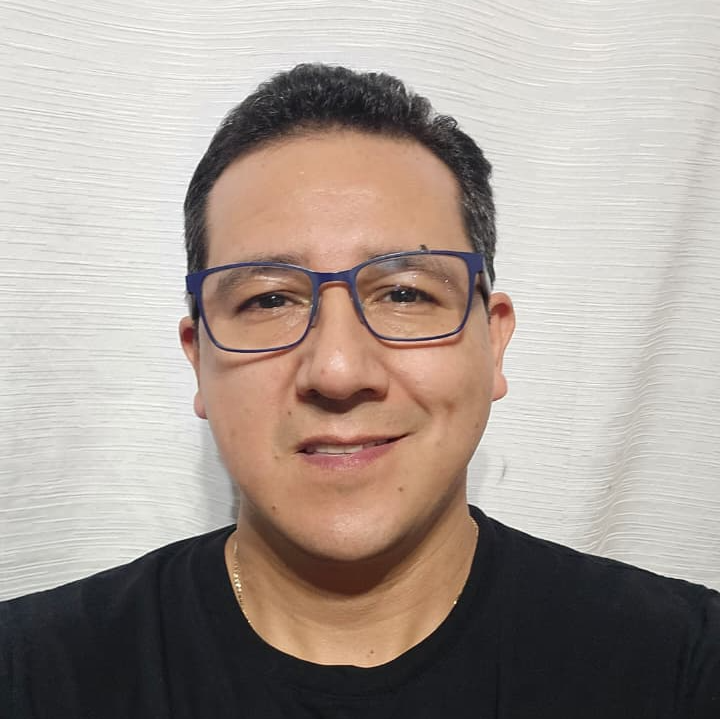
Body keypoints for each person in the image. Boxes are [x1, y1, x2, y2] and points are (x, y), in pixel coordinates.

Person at [1, 63, 718, 718]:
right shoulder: (32, 672)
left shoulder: (682, 664)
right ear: (198, 360)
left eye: (405, 293)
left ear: (493, 341)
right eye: (268, 300)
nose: (338, 371)